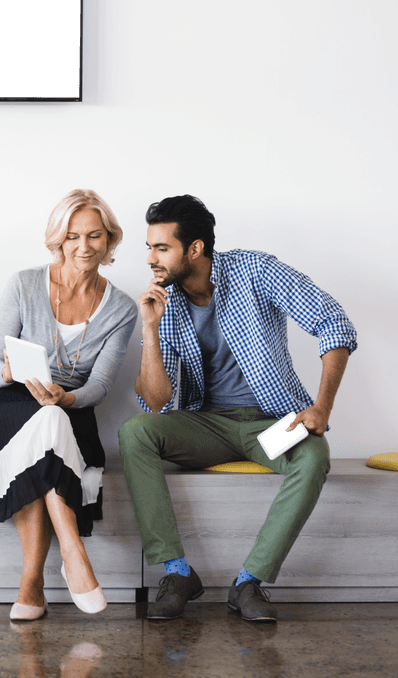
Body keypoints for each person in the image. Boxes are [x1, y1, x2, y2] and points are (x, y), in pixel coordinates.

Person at [119, 195, 356, 622]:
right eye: (149, 247)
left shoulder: (255, 271)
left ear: (195, 249)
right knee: (135, 431)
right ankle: (177, 573)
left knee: (314, 455)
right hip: (205, 425)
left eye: (162, 248)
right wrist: (150, 330)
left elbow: (332, 321)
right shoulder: (164, 301)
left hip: (272, 421)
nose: (151, 258)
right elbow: (155, 402)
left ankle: (249, 581)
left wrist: (321, 407)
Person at [0, 189, 138, 620]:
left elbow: (101, 385)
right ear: (58, 240)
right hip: (6, 405)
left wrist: (66, 396)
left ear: (110, 240)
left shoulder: (123, 309)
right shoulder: (24, 283)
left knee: (53, 417)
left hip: (70, 409)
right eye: (73, 236)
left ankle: (31, 583)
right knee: (46, 421)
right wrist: (7, 371)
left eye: (95, 236)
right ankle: (73, 554)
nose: (84, 247)